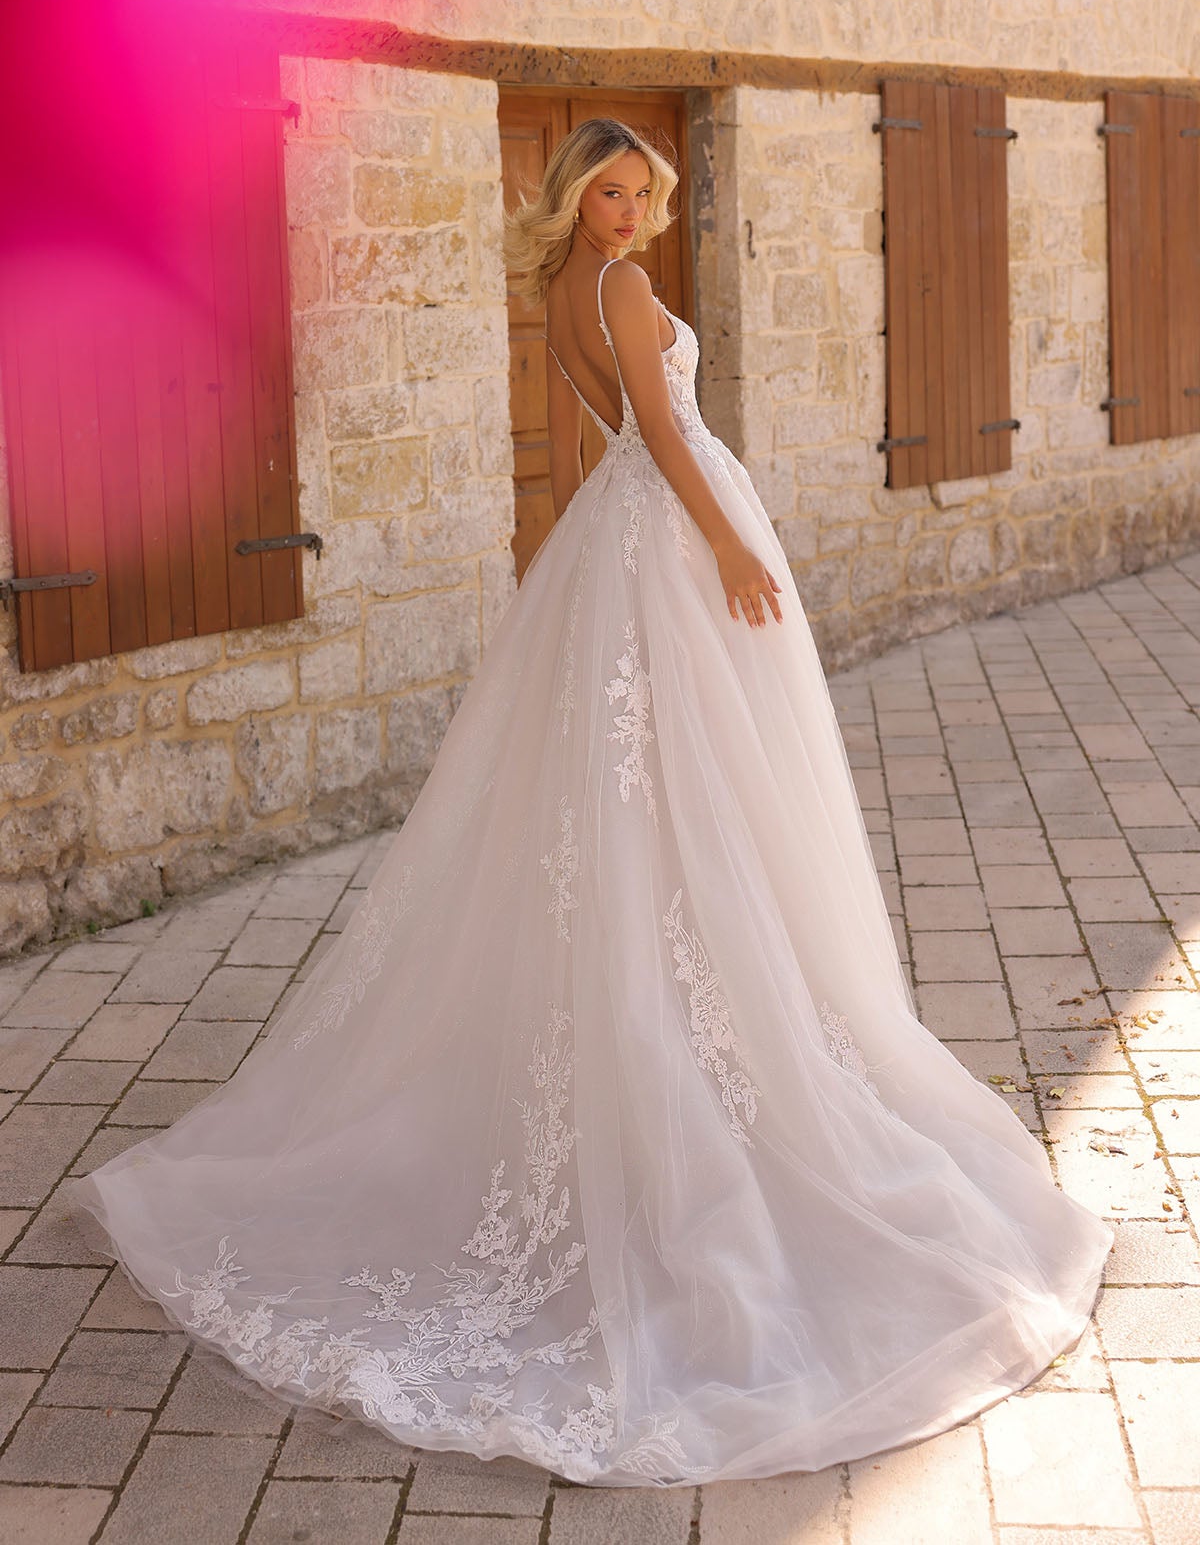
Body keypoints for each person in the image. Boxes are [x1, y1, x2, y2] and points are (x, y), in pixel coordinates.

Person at [71, 116, 1113, 1488]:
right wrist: (731, 545)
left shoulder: (560, 287)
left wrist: (584, 559)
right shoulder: (614, 284)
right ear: (577, 199)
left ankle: (671, 980)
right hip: (671, 535)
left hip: (621, 540)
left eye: (641, 191)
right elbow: (662, 431)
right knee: (687, 775)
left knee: (661, 782)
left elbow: (598, 445)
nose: (630, 211)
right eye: (609, 191)